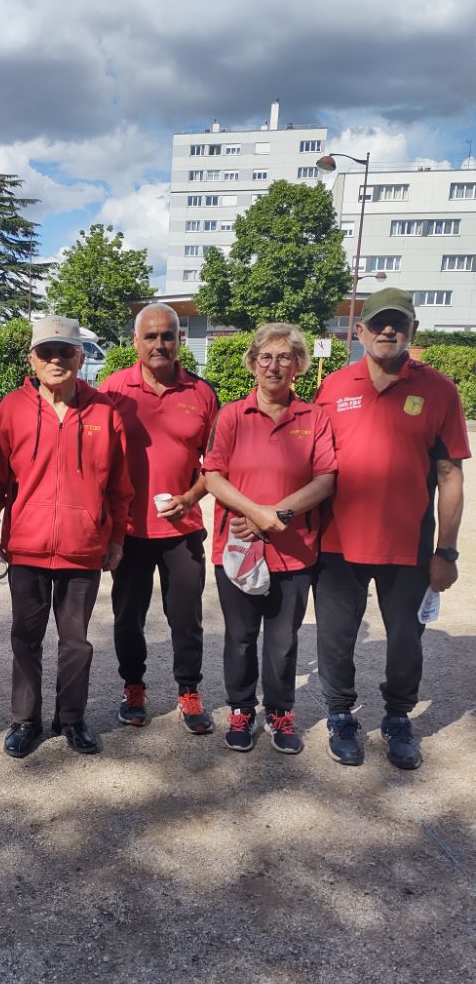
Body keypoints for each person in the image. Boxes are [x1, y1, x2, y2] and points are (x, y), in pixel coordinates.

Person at [314, 287, 469, 770]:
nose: (388, 331)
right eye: (378, 323)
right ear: (358, 331)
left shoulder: (440, 390)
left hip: (409, 544)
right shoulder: (335, 387)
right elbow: (314, 467)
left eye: (398, 324)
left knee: (406, 639)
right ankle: (341, 716)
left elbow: (450, 475)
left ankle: (398, 719)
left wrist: (446, 552)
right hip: (339, 542)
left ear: (412, 332)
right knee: (336, 637)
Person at [0, 315, 133, 759]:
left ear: (80, 357)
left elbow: (120, 486)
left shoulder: (104, 411)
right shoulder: (10, 409)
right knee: (24, 638)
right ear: (33, 358)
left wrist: (116, 537)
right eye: (47, 352)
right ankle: (25, 720)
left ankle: (72, 718)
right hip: (25, 547)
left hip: (83, 548)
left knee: (76, 642)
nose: (56, 359)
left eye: (65, 351)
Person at [202, 323, 337, 754]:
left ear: (298, 365)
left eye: (284, 357)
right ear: (252, 364)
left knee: (282, 642)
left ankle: (280, 712)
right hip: (238, 549)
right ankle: (241, 710)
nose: (274, 365)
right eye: (266, 357)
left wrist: (278, 515)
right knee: (240, 637)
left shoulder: (314, 418)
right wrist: (255, 514)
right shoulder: (231, 416)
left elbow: (326, 479)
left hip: (294, 553)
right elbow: (212, 475)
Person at [100, 303, 218, 733]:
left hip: (181, 529)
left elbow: (216, 465)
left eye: (167, 335)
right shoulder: (113, 390)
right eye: (150, 336)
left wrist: (190, 497)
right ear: (135, 342)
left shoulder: (202, 393)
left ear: (179, 339)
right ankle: (133, 689)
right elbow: (99, 460)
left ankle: (189, 692)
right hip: (128, 530)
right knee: (128, 617)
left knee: (186, 616)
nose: (159, 344)